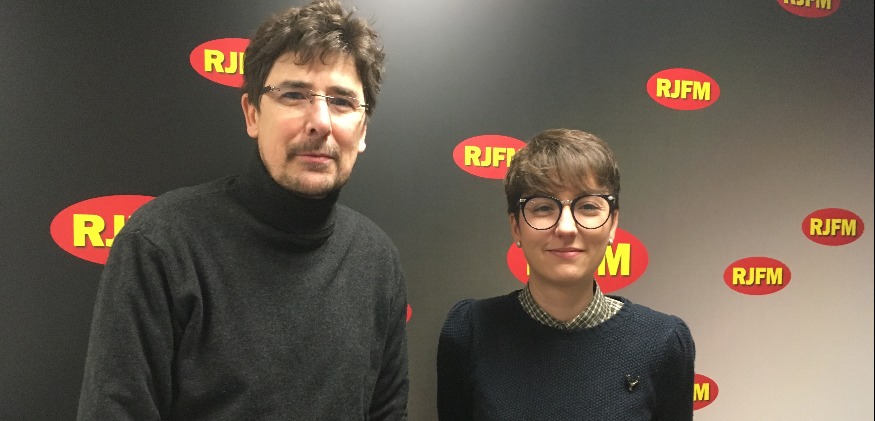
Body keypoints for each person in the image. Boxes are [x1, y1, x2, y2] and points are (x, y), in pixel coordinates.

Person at [77, 1, 409, 419]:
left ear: (362, 130)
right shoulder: (162, 245)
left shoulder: (377, 261)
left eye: (342, 101)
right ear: (252, 113)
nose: (320, 121)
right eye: (294, 95)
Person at [436, 129, 695, 420]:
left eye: (588, 206)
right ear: (516, 227)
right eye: (544, 208)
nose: (566, 228)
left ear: (612, 224)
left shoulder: (662, 341)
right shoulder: (470, 331)